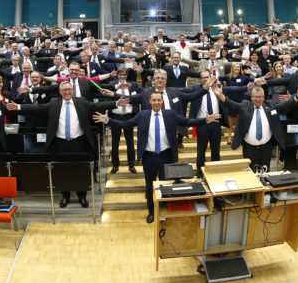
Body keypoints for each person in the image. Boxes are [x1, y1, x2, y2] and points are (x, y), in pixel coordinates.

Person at [93, 90, 219, 223]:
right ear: (149, 101)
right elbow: (125, 124)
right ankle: (152, 212)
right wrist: (108, 120)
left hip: (166, 156)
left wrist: (205, 120)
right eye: (154, 100)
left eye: (159, 100)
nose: (157, 102)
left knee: (165, 185)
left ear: (162, 101)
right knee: (149, 186)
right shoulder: (143, 115)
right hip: (149, 157)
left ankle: (163, 211)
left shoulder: (170, 114)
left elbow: (187, 122)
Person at [7, 81, 128, 208]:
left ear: (73, 90)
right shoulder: (54, 103)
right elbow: (38, 108)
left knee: (80, 170)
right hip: (60, 143)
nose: (67, 92)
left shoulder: (81, 101)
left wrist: (115, 103)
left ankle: (82, 196)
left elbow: (96, 105)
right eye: (64, 90)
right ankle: (66, 196)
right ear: (60, 92)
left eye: (69, 89)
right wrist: (19, 107)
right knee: (62, 171)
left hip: (79, 142)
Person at [214, 84, 298, 171]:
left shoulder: (270, 107)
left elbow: (284, 106)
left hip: (266, 148)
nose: (258, 99)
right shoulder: (245, 106)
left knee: (265, 173)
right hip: (249, 148)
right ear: (251, 97)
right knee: (250, 174)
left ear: (264, 97)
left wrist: (296, 97)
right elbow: (231, 104)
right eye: (255, 97)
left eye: (260, 96)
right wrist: (221, 95)